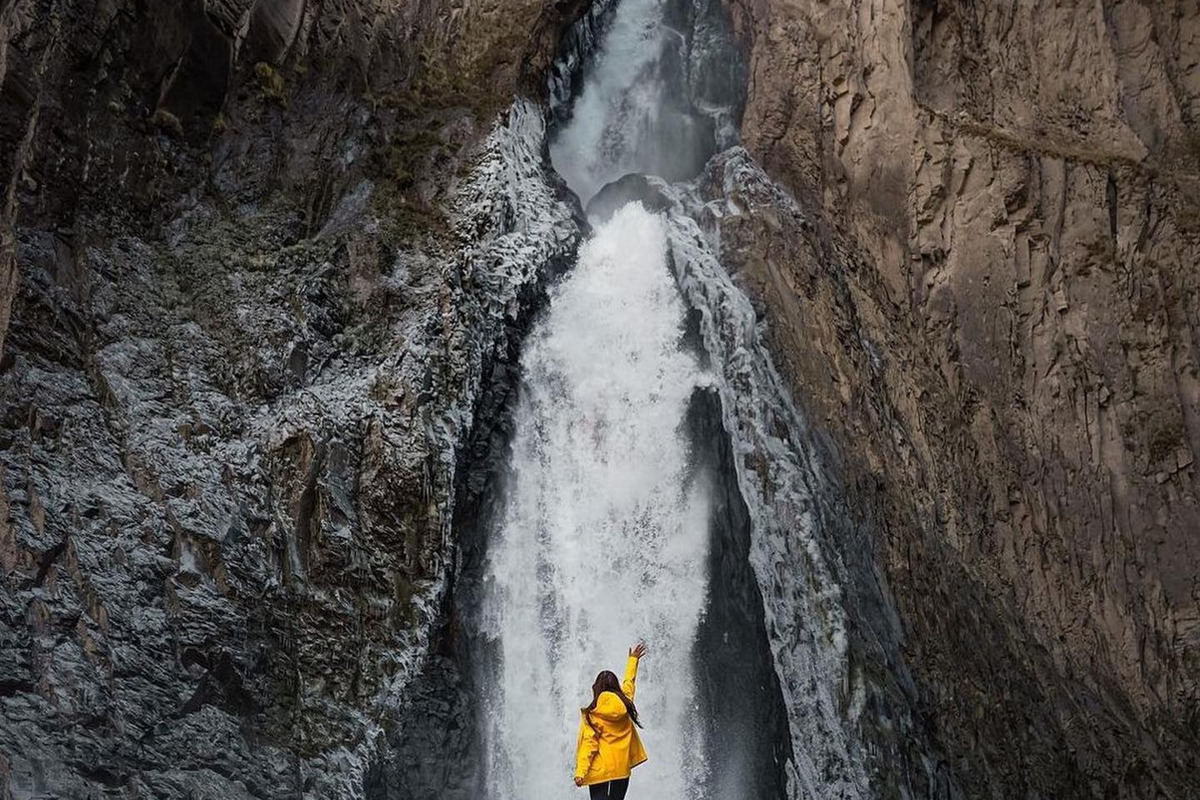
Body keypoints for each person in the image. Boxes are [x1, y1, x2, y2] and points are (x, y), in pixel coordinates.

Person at [573, 642, 649, 799]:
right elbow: (629, 683)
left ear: (596, 688)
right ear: (616, 686)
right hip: (621, 769)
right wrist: (633, 660)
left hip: (600, 770)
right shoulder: (625, 703)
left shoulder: (592, 713)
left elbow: (589, 744)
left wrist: (581, 772)